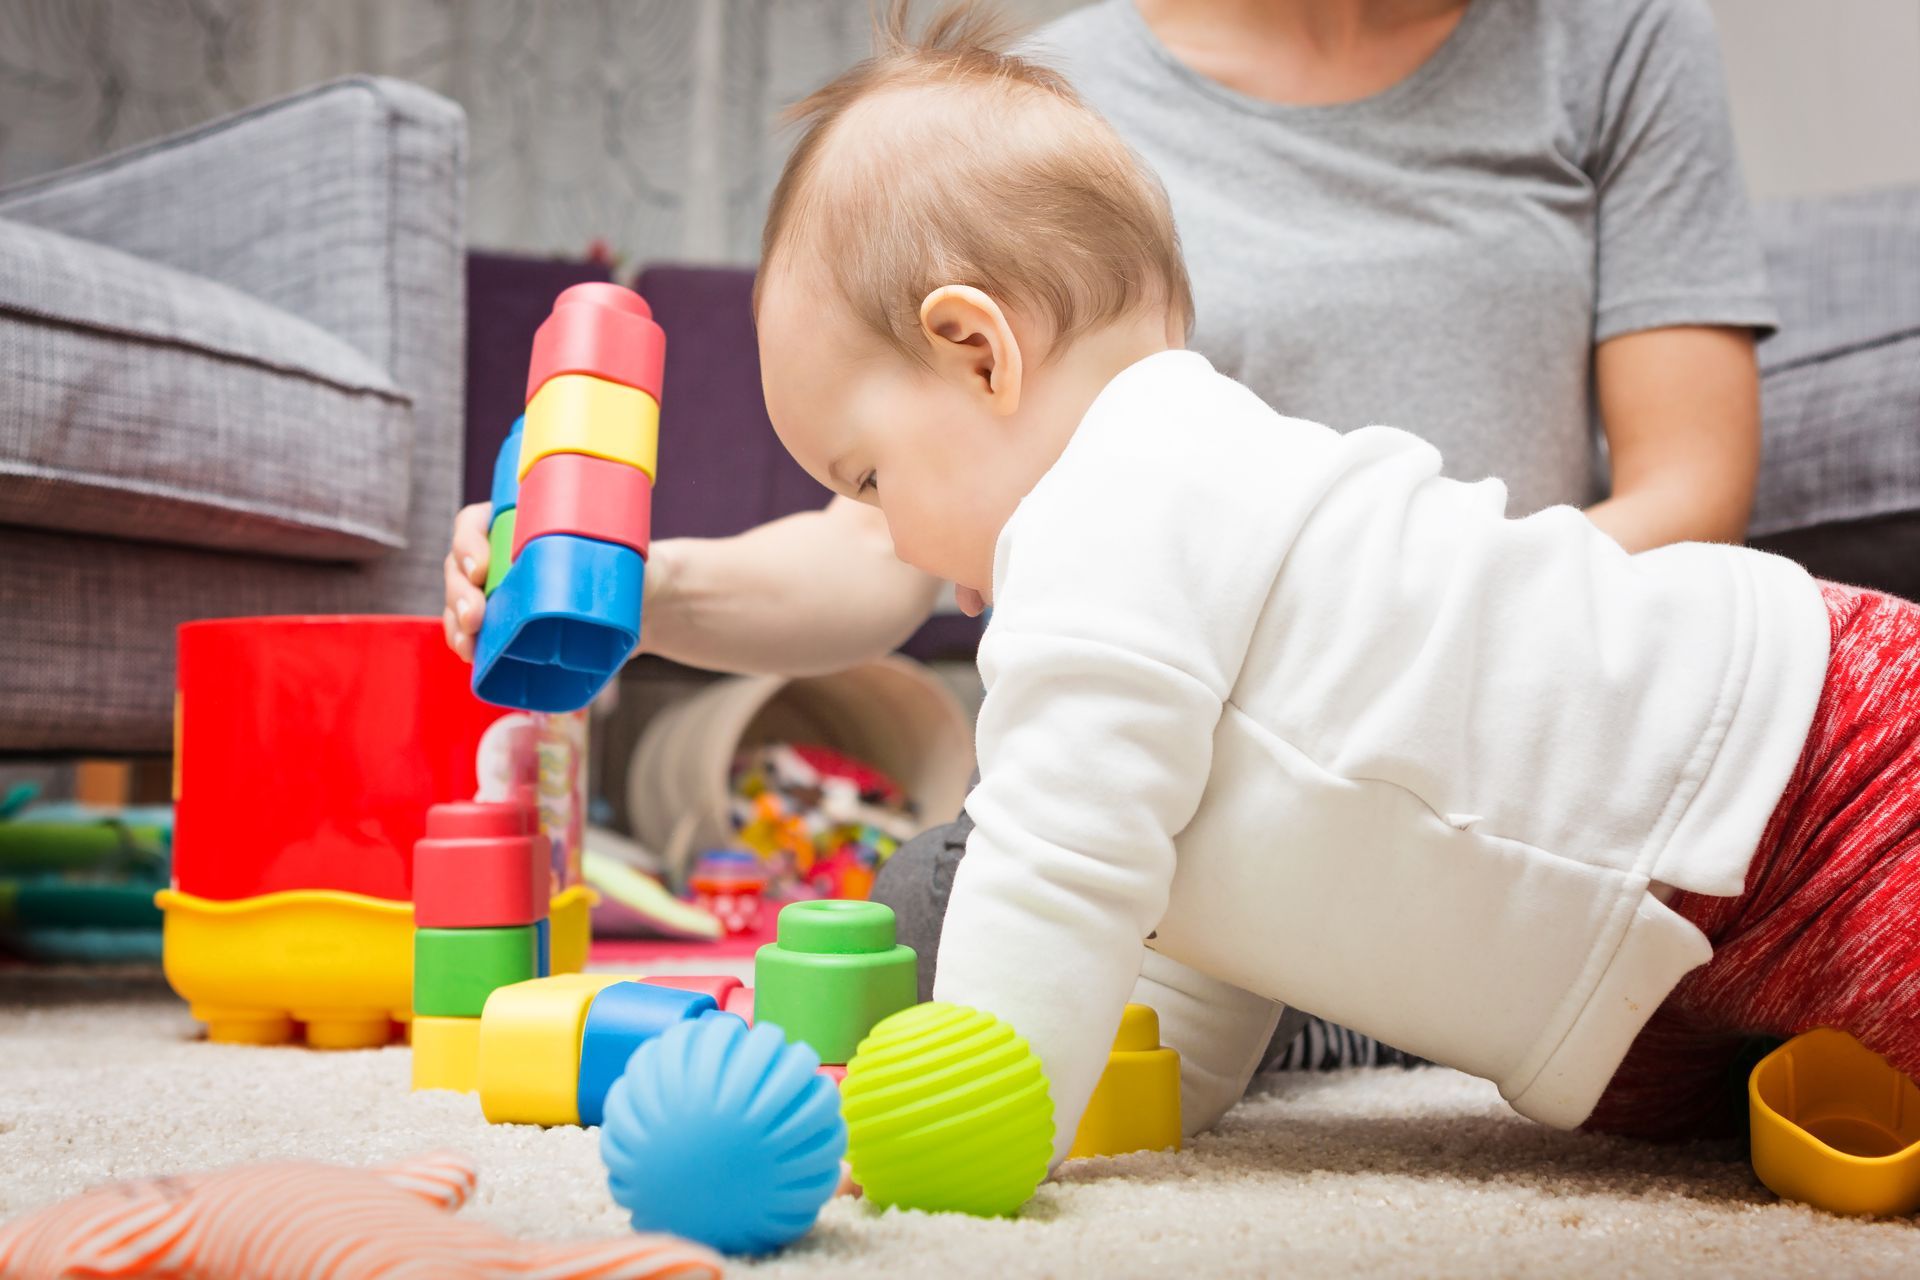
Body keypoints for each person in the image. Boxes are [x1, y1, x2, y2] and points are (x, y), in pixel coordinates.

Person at [445, 0, 1777, 1064]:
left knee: (1070, 905)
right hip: (1202, 802)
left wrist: (1447, 663)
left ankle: (1396, 960)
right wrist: (630, 586)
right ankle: (1348, 979)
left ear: (976, 348)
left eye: (866, 471)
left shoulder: (1616, 37)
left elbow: (1689, 482)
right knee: (934, 906)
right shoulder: (1038, 101)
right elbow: (886, 543)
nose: (878, 501)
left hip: (1506, 738)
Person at [742, 6, 1920, 1161]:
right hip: (1626, 972)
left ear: (978, 351)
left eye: (869, 476)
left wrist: (975, 1122)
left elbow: (1059, 856)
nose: (889, 534)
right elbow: (1205, 927)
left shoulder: (1114, 497)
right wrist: (1155, 1102)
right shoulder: (1160, 538)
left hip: (1796, 776)